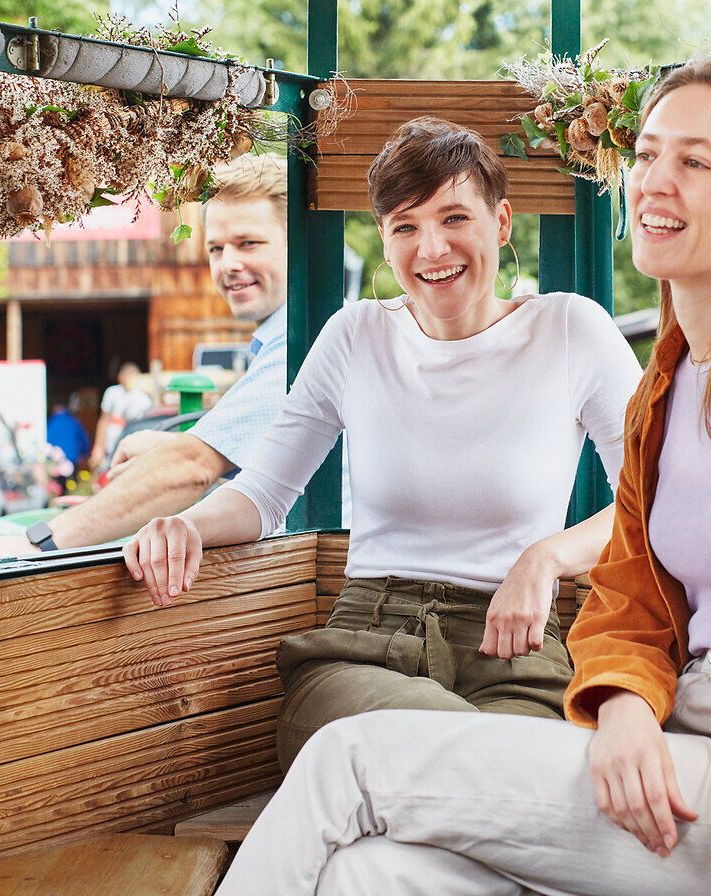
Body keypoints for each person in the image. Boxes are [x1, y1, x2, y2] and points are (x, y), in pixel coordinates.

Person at [216, 59, 711, 896]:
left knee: (350, 763)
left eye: (696, 161)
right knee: (375, 873)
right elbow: (633, 595)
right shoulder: (666, 387)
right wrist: (621, 706)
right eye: (647, 155)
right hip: (672, 733)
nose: (655, 180)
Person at [125, 117, 643, 767]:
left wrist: (546, 558)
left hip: (516, 657)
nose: (431, 249)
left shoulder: (570, 329)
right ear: (385, 239)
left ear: (502, 223)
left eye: (455, 218)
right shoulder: (354, 335)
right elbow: (262, 494)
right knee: (496, 774)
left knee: (479, 774)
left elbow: (649, 499)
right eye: (406, 226)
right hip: (365, 647)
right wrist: (187, 526)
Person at [0, 154, 291, 557]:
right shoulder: (281, 339)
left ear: (300, 242)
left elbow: (193, 468)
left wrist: (43, 541)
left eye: (249, 243)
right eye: (216, 248)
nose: (229, 265)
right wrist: (172, 447)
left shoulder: (304, 341)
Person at [88, 360, 154, 478]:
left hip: (132, 441)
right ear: (120, 377)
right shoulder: (112, 392)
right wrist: (99, 447)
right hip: (112, 442)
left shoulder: (143, 397)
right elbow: (104, 420)